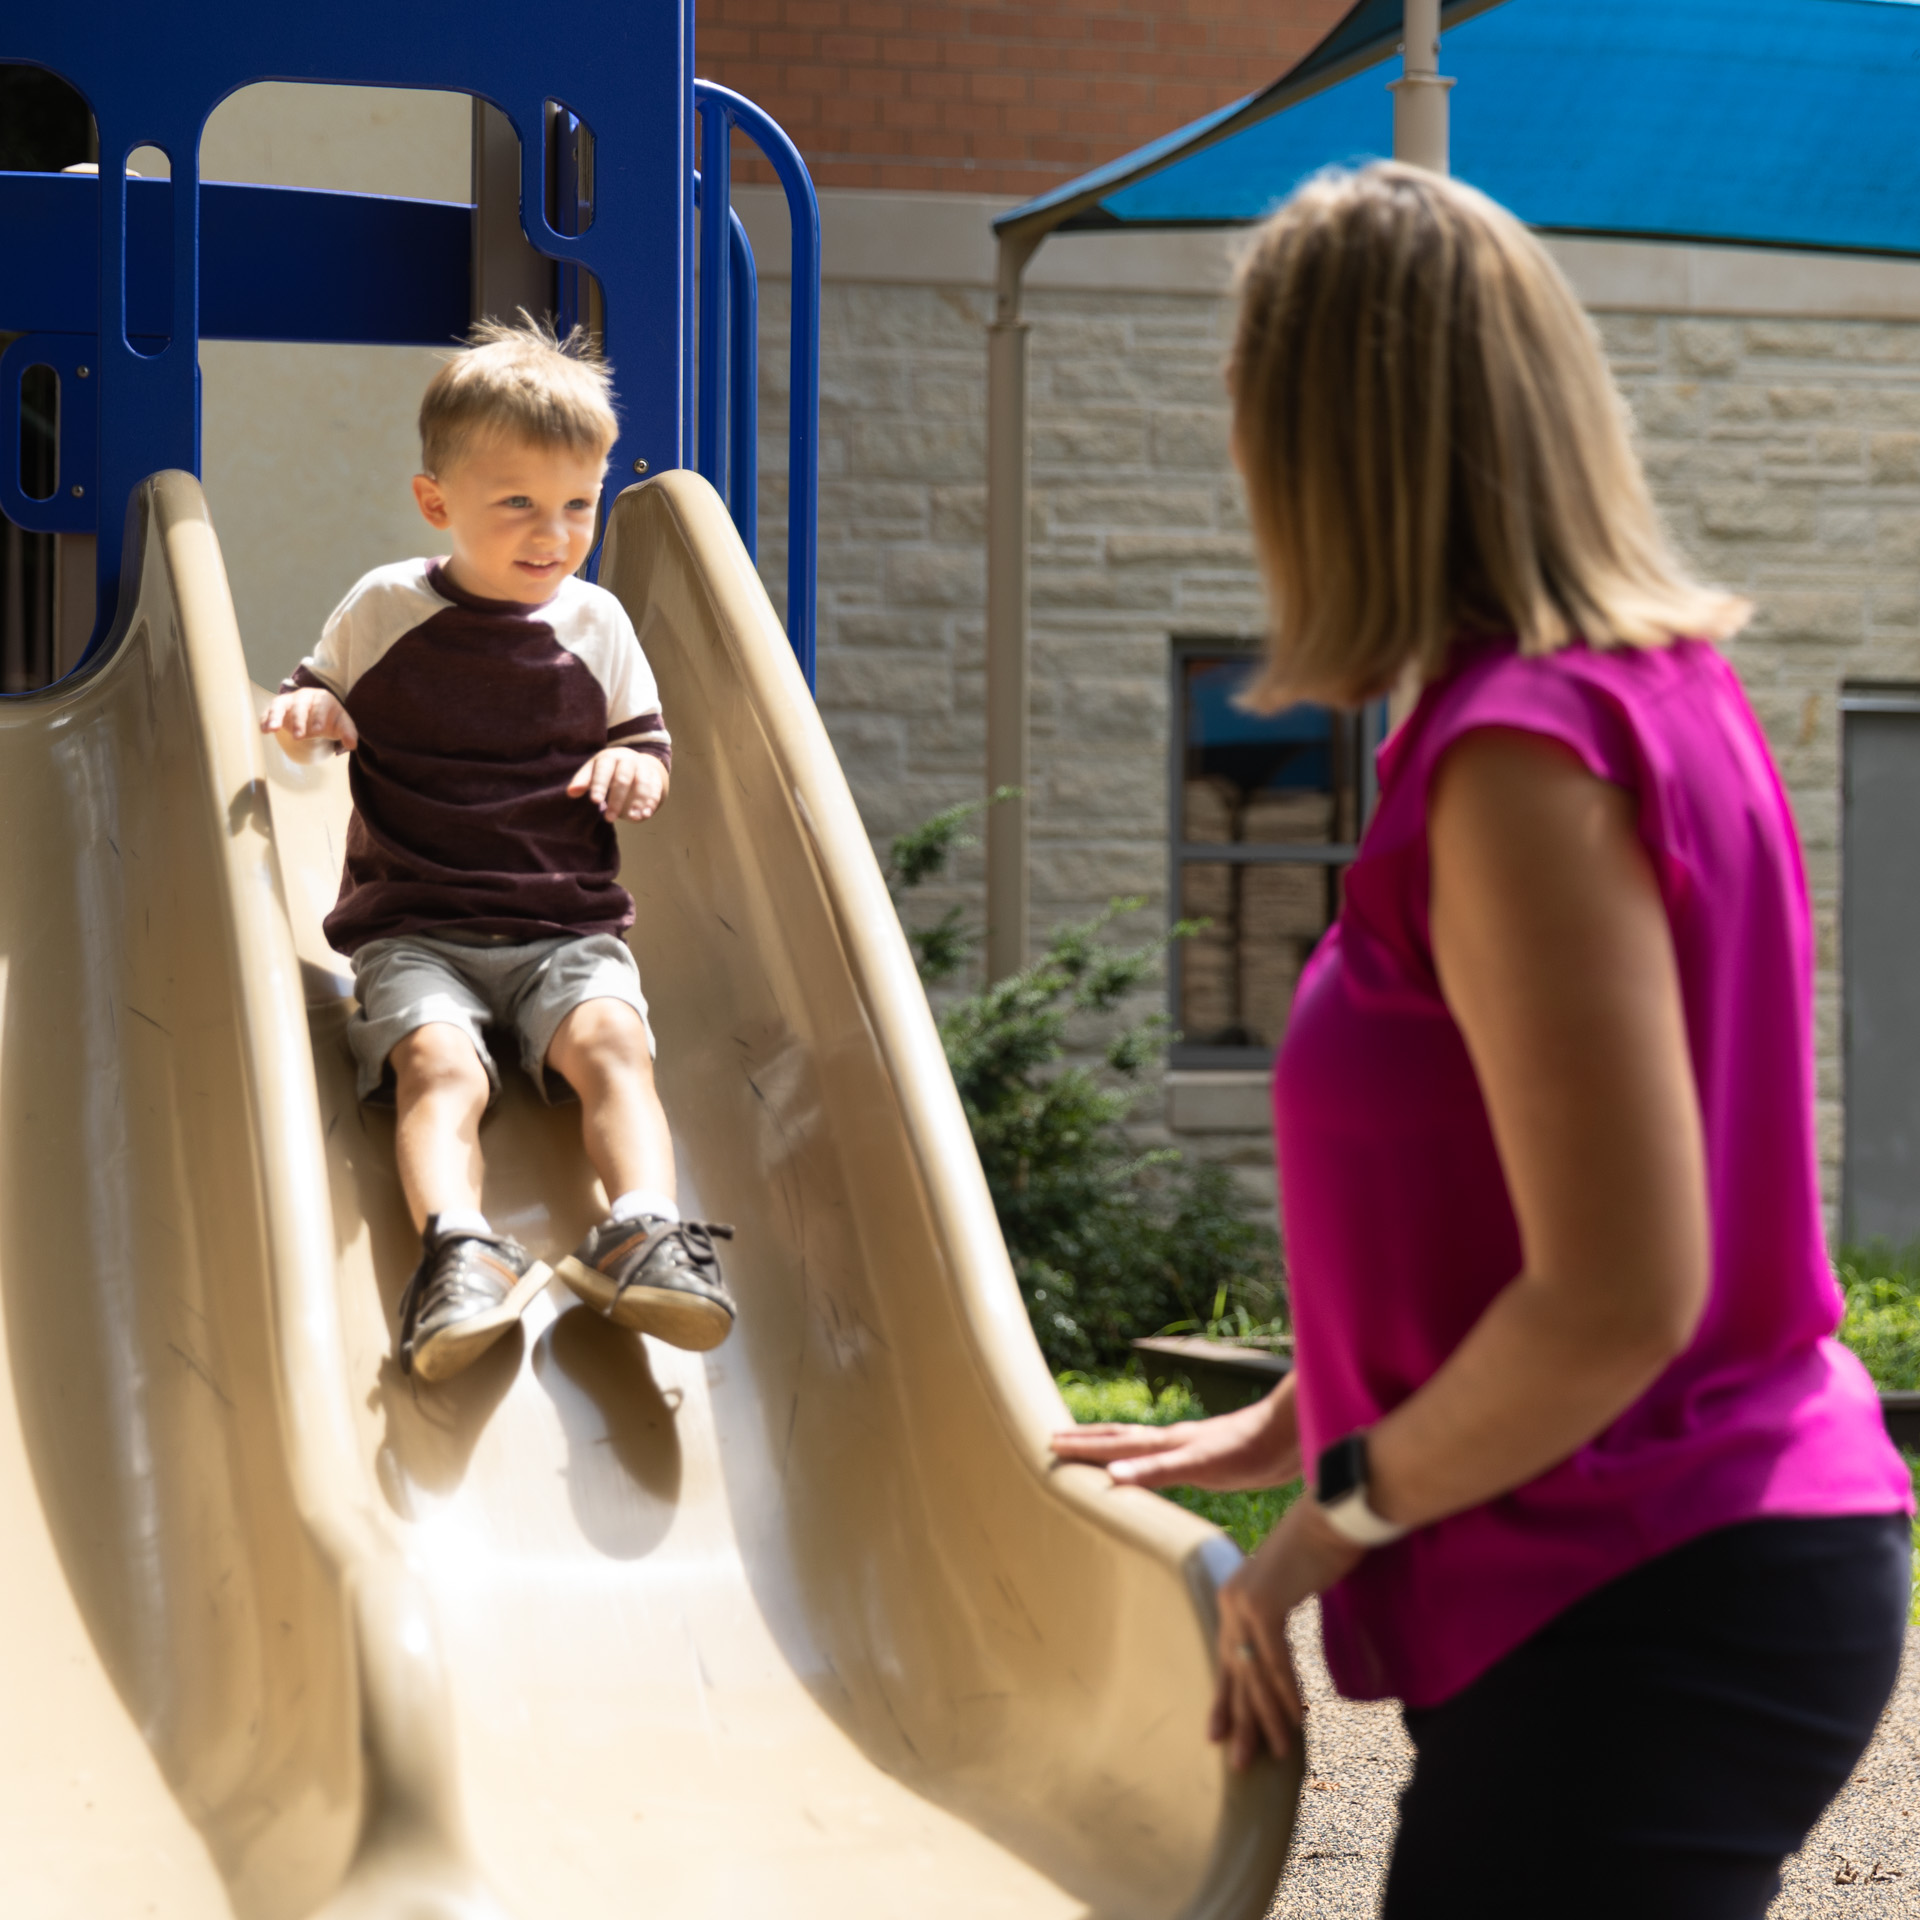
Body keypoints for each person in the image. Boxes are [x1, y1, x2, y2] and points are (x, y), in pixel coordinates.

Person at [1053, 163, 1912, 1917]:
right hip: (1672, 1572)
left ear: (1328, 441)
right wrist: (1290, 1419)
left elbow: (1616, 1294)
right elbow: (1513, 1203)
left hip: (1644, 1587)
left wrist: (1312, 1541)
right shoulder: (1634, 697)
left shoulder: (1525, 755)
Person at [262, 316, 733, 1385]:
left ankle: (647, 1228)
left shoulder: (598, 623)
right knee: (438, 1071)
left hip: (564, 925)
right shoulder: (386, 607)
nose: (552, 533)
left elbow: (643, 745)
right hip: (414, 927)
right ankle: (457, 1249)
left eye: (578, 505)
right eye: (516, 503)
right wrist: (310, 718)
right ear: (438, 504)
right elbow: (312, 696)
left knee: (614, 1043)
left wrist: (635, 774)